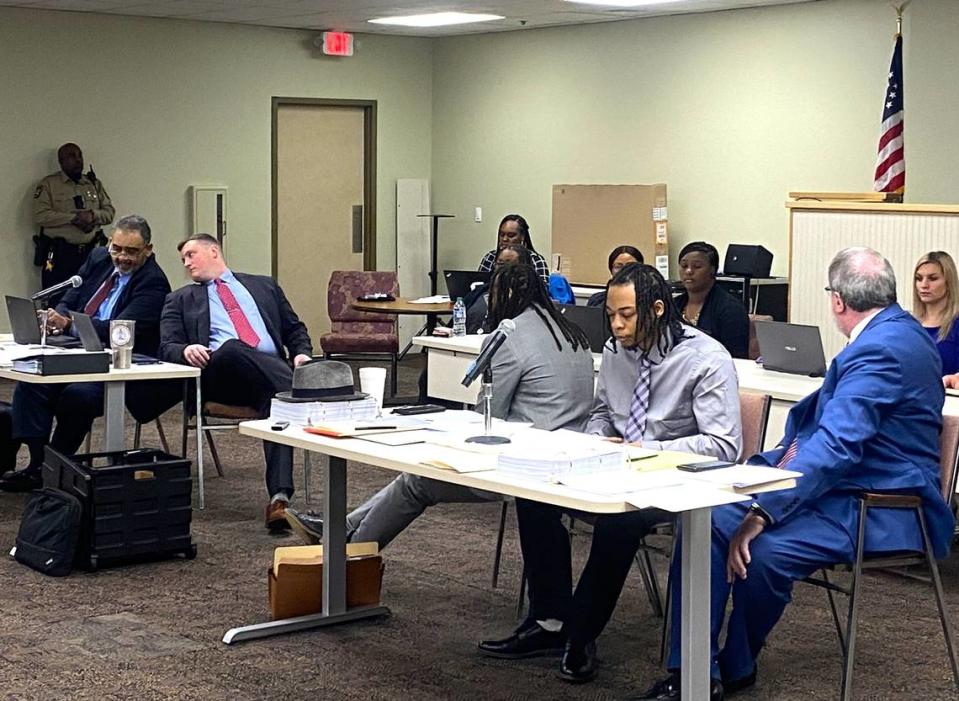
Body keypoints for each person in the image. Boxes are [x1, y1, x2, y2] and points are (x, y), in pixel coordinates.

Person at [640, 247, 956, 701]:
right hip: (839, 484)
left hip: (877, 502)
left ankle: (733, 664)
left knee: (764, 552)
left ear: (838, 301)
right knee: (704, 518)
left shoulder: (884, 348)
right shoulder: (895, 332)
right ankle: (692, 670)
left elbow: (837, 446)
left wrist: (764, 511)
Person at [478, 263, 742, 684]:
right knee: (533, 493)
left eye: (626, 315)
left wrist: (645, 450)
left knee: (621, 522)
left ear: (656, 309)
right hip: (615, 466)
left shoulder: (706, 359)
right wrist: (595, 441)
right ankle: (549, 620)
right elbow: (603, 413)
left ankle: (579, 636)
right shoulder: (618, 353)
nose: (616, 326)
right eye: (612, 315)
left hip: (675, 482)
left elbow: (723, 446)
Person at [286, 260, 596, 549]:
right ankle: (341, 529)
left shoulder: (507, 337)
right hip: (574, 458)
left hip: (520, 466)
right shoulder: (573, 332)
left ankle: (347, 558)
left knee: (418, 480)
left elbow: (489, 417)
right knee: (417, 477)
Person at [2, 215, 172, 492]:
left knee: (77, 396)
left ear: (148, 250)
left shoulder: (154, 283)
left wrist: (69, 325)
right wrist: (58, 315)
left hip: (115, 364)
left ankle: (57, 465)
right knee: (31, 384)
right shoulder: (98, 258)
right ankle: (37, 464)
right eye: (117, 248)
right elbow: (71, 296)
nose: (122, 257)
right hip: (73, 350)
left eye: (131, 251)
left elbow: (121, 332)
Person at [158, 233, 313, 531]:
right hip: (221, 376)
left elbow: (295, 329)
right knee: (232, 347)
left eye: (191, 254)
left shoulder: (263, 285)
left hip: (267, 379)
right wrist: (185, 350)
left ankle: (279, 499)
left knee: (278, 404)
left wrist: (302, 355)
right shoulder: (179, 299)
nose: (186, 263)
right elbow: (166, 347)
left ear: (214, 251)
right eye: (183, 260)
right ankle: (308, 390)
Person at [33, 143, 115, 288]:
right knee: (56, 303)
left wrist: (92, 215)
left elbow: (109, 212)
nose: (78, 160)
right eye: (71, 156)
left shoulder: (93, 184)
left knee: (89, 302)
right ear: (61, 161)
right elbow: (41, 215)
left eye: (79, 155)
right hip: (60, 256)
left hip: (91, 253)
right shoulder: (49, 184)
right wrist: (73, 218)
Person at [673, 242, 750, 359]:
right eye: (684, 266)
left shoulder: (730, 309)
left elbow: (736, 357)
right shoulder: (674, 305)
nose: (688, 271)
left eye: (697, 266)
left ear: (712, 270)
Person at [913, 251, 959, 377]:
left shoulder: (956, 325)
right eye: (919, 278)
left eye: (933, 279)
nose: (924, 285)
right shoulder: (908, 324)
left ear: (948, 282)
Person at [477, 214, 550, 289]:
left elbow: (543, 291)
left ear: (522, 236)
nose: (505, 239)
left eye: (511, 235)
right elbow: (478, 286)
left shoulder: (536, 260)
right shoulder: (490, 257)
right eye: (501, 235)